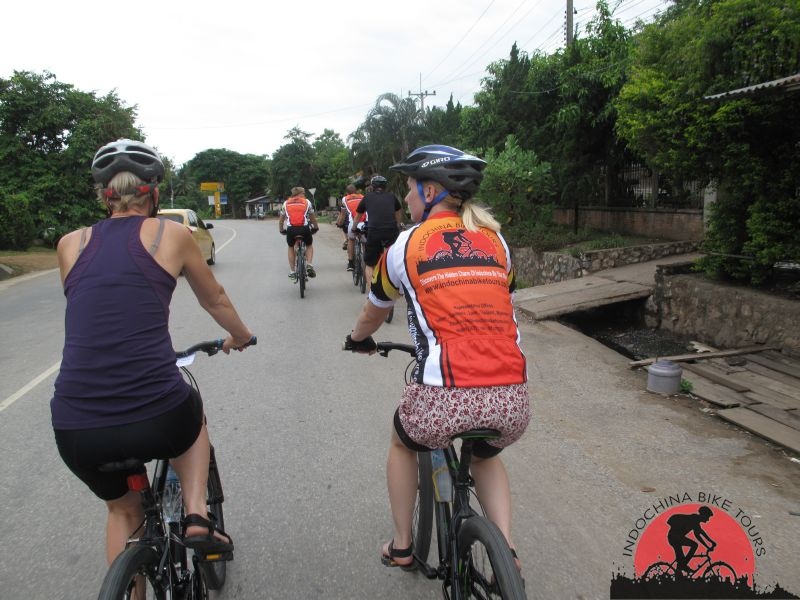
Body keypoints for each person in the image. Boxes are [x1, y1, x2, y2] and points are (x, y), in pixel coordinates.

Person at [51, 139, 254, 568]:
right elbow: (214, 299)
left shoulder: (70, 244)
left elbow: (97, 313)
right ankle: (197, 514)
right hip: (157, 414)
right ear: (154, 192)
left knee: (123, 510)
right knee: (192, 412)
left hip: (75, 427)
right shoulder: (172, 234)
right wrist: (241, 335)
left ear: (104, 195)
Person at [344, 145, 531, 572]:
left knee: (400, 441)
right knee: (485, 454)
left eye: (409, 188)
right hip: (514, 401)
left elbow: (375, 309)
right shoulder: (497, 241)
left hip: (445, 396)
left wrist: (357, 339)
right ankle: (507, 550)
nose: (405, 198)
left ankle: (403, 545)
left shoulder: (404, 246)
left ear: (430, 191)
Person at [354, 175, 403, 282]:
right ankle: (390, 280)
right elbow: (398, 212)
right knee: (390, 257)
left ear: (372, 186)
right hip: (391, 230)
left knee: (369, 263)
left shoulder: (367, 197)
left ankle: (372, 292)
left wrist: (354, 227)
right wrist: (398, 224)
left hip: (374, 231)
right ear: (385, 186)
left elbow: (358, 215)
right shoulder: (391, 196)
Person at [278, 186, 319, 279]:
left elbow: (281, 220)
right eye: (303, 193)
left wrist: (281, 229)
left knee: (291, 247)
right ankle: (309, 264)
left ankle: (292, 271)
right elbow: (312, 218)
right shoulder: (307, 202)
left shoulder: (285, 203)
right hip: (304, 228)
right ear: (299, 194)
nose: (304, 195)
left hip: (291, 230)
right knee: (309, 244)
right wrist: (316, 227)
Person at [666, 506, 717, 575]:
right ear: (704, 515)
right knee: (694, 545)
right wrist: (709, 545)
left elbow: (700, 533)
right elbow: (699, 535)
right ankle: (683, 566)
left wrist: (710, 542)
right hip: (675, 538)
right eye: (708, 517)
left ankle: (680, 571)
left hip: (675, 538)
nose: (708, 519)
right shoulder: (694, 519)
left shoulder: (696, 520)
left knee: (681, 561)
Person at [337, 183, 365, 271]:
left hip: (353, 224)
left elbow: (342, 214)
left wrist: (340, 223)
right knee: (365, 242)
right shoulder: (363, 197)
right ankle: (366, 260)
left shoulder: (345, 199)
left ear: (347, 193)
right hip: (364, 223)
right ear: (356, 191)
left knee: (351, 240)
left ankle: (351, 263)